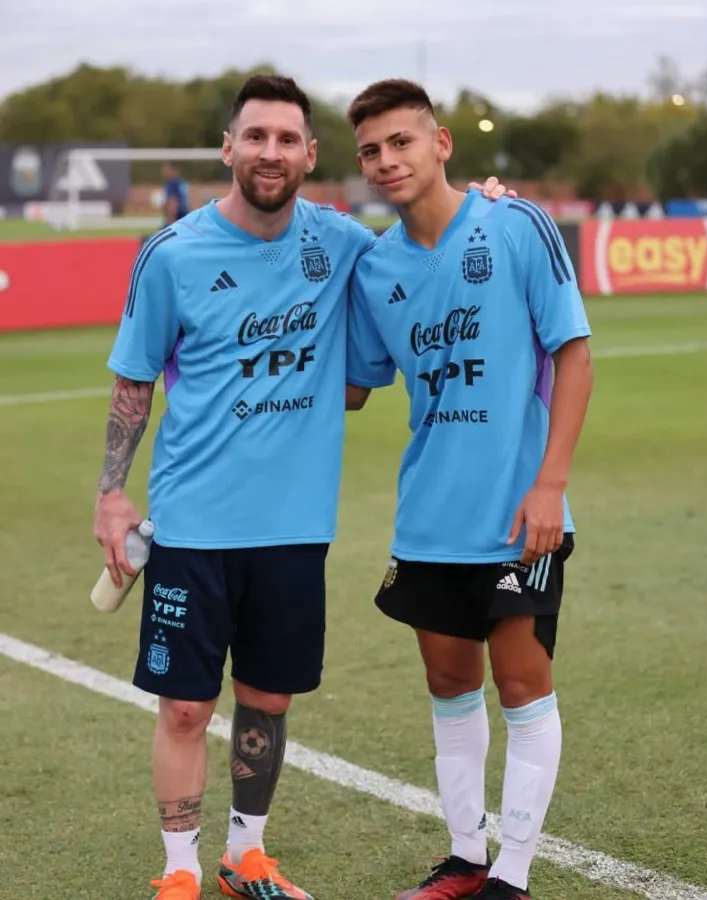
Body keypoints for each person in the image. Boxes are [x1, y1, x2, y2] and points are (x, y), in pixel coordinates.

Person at [93, 73, 512, 900]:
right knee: (183, 708)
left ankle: (244, 856)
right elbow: (133, 383)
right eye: (256, 137)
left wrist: (488, 201)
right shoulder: (172, 254)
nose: (271, 152)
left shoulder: (345, 242)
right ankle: (177, 873)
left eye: (288, 139)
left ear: (310, 154)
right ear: (229, 148)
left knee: (268, 700)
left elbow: (432, 232)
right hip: (190, 527)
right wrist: (112, 492)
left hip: (292, 529)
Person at [344, 79, 594, 900]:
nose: (387, 161)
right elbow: (352, 387)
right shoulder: (375, 266)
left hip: (521, 511)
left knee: (522, 689)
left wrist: (550, 483)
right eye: (371, 151)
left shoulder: (515, 224)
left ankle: (510, 879)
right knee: (451, 687)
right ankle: (464, 858)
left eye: (401, 142)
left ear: (441, 141)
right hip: (430, 517)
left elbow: (573, 355)